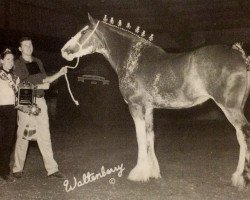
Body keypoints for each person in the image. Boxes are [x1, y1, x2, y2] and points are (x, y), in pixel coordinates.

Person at [12, 37, 67, 179]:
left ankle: (52, 169)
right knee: (25, 135)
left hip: (40, 101)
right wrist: (39, 86)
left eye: (30, 45)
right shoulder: (17, 63)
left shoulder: (37, 62)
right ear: (20, 49)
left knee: (45, 135)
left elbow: (46, 80)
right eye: (25, 45)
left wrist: (59, 73)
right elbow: (21, 85)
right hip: (25, 101)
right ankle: (17, 169)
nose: (29, 47)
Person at [0, 48, 19, 183]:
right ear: (1, 61)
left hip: (11, 110)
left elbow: (17, 96)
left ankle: (4, 171)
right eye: (8, 59)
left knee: (7, 143)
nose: (11, 62)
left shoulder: (15, 78)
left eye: (12, 59)